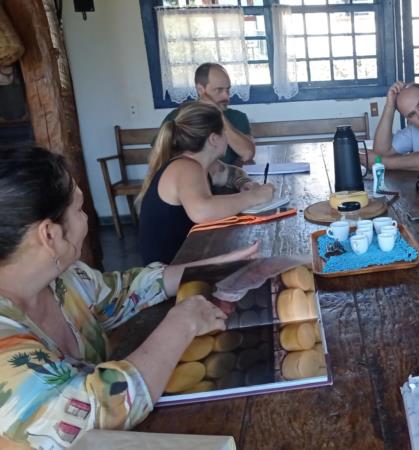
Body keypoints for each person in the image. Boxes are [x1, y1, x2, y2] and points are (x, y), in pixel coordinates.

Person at [0, 147, 256, 448]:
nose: (87, 219)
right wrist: (180, 324)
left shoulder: (63, 281)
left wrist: (213, 265)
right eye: (80, 210)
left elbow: (124, 291)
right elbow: (91, 415)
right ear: (50, 235)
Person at [137, 102, 275, 265]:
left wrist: (243, 182)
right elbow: (202, 211)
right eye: (224, 132)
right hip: (165, 275)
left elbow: (231, 173)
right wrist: (254, 196)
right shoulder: (186, 167)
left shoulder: (202, 165)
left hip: (185, 259)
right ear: (213, 139)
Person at [161, 63, 255, 166]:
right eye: (219, 90)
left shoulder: (238, 117)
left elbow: (248, 153)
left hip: (230, 179)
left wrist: (219, 115)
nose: (226, 96)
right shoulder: (178, 117)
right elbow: (161, 159)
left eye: (228, 89)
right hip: (188, 179)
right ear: (201, 90)